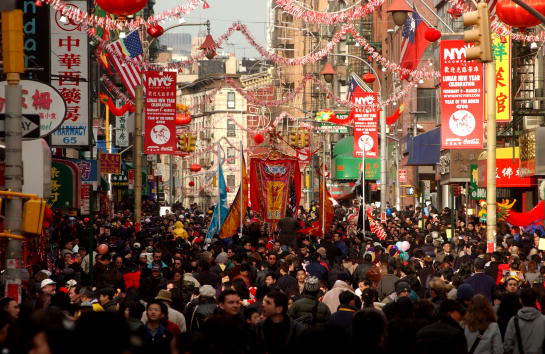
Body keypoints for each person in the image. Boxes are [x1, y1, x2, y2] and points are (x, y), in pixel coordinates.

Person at [503, 288, 545, 354]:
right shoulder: (543, 320)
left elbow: (508, 346)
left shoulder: (514, 321)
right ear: (536, 300)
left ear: (520, 300)